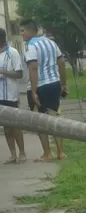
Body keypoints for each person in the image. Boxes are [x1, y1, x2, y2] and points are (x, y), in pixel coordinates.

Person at [21, 19, 68, 162]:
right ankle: (60, 152)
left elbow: (33, 67)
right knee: (53, 118)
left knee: (38, 121)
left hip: (39, 86)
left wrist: (34, 91)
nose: (21, 34)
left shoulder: (30, 46)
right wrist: (63, 83)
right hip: (54, 83)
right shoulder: (51, 42)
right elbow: (61, 63)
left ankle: (47, 153)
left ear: (30, 31)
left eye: (22, 30)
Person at [0, 28, 27, 164]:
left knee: (15, 125)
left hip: (11, 95)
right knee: (6, 126)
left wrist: (3, 72)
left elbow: (19, 74)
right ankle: (12, 154)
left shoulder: (12, 53)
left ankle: (22, 153)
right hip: (0, 96)